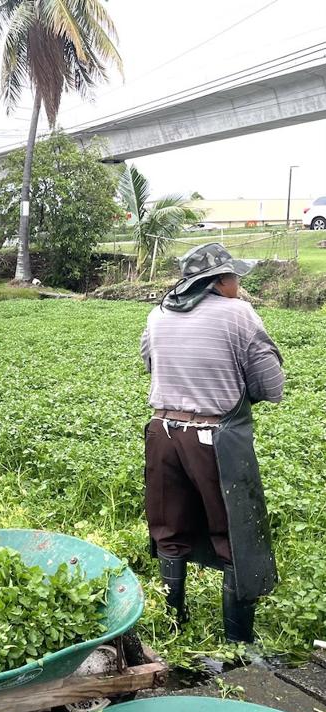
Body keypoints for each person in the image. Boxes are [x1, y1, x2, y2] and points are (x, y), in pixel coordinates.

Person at [141, 243, 284, 643]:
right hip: (214, 439)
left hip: (162, 434)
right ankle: (237, 643)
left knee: (169, 527)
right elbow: (271, 386)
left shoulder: (158, 314)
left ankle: (173, 624)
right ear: (219, 281)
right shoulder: (238, 314)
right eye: (234, 276)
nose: (238, 283)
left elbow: (150, 363)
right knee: (234, 533)